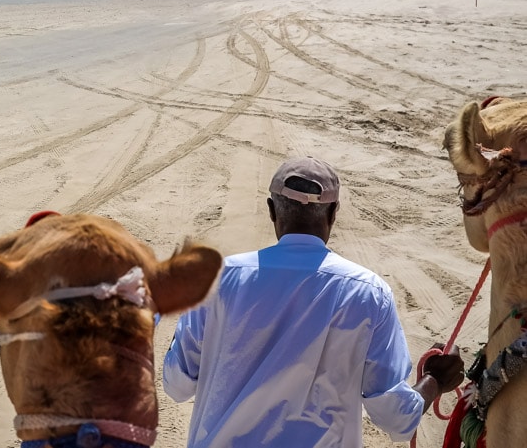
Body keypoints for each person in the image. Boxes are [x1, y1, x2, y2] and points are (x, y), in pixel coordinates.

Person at [163, 157, 464, 447]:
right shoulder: (369, 293)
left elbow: (177, 384)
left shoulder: (217, 280)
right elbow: (395, 416)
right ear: (333, 213)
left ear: (271, 210)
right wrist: (435, 380)